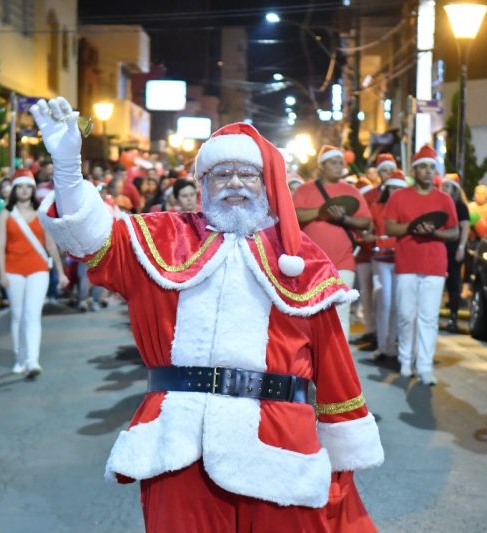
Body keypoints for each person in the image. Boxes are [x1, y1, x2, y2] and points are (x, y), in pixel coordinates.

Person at [32, 97, 383, 532]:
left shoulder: (303, 262)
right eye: (221, 174)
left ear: (267, 184)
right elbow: (90, 238)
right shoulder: (161, 238)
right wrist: (67, 170)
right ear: (203, 183)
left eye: (247, 174)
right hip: (179, 440)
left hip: (278, 445)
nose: (234, 183)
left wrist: (343, 448)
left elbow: (334, 363)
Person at [384, 145, 459, 385]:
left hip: (435, 265)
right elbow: (389, 228)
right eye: (423, 167)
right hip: (407, 263)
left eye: (432, 167)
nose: (428, 171)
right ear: (415, 170)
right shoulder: (399, 197)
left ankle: (425, 365)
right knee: (407, 315)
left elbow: (455, 232)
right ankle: (406, 359)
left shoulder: (444, 199)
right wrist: (412, 228)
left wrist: (435, 233)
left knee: (428, 317)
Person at [293, 145, 373, 342]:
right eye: (333, 162)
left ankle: (340, 367)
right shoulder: (305, 190)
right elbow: (294, 216)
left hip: (344, 262)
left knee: (341, 313)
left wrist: (345, 219)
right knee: (312, 311)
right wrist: (322, 211)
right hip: (312, 264)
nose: (339, 166)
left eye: (341, 163)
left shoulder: (351, 191)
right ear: (321, 166)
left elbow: (366, 221)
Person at [0, 169, 67, 378]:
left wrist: (61, 272)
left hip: (38, 268)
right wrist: (1, 273)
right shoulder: (5, 214)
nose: (24, 190)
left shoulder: (41, 214)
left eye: (28, 186)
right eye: (20, 186)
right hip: (12, 269)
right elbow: (0, 246)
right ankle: (19, 357)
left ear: (33, 190)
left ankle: (32, 360)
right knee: (17, 315)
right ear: (14, 189)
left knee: (32, 315)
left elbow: (50, 245)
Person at [368, 170, 407, 359]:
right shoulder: (376, 207)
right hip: (381, 260)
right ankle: (382, 345)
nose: (395, 191)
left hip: (400, 260)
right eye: (392, 187)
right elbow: (369, 232)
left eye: (399, 188)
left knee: (397, 304)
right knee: (384, 301)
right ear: (386, 188)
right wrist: (379, 240)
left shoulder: (407, 207)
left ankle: (392, 343)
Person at [440, 174, 470, 333]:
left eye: (447, 186)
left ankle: (453, 317)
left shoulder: (459, 206)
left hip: (453, 248)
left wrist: (461, 247)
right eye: (442, 186)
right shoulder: (438, 203)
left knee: (453, 283)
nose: (443, 189)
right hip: (439, 247)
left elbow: (465, 227)